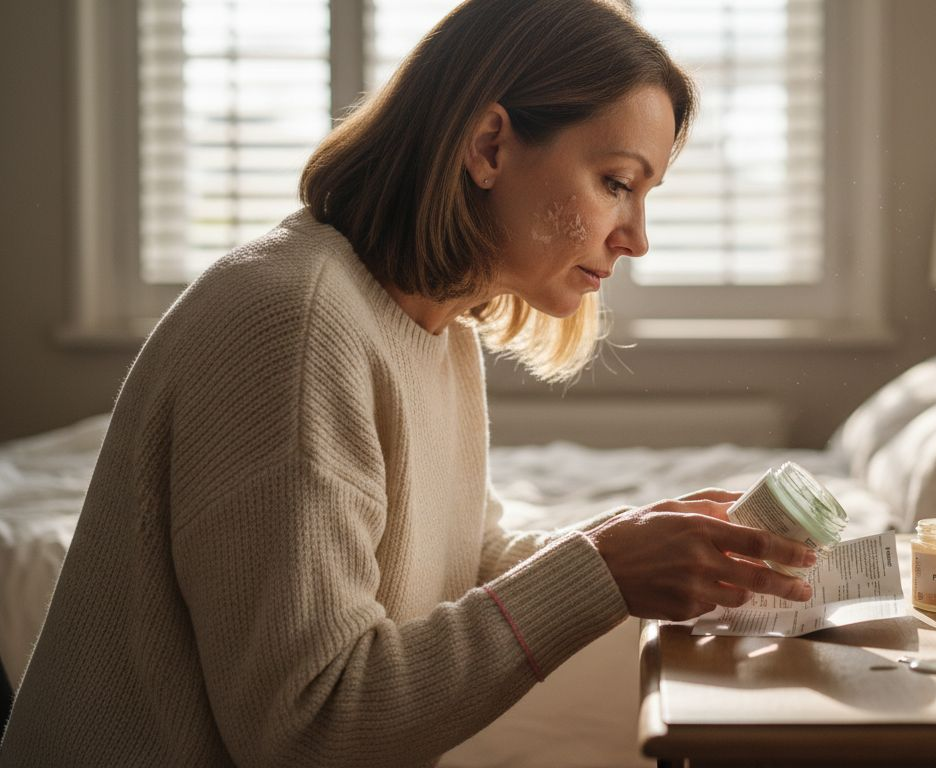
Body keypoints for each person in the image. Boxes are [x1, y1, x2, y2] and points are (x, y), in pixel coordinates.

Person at [0, 0, 817, 765]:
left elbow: (466, 559)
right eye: (616, 183)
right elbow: (308, 724)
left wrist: (648, 541)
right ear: (491, 145)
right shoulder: (296, 325)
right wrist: (604, 570)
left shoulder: (436, 327)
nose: (636, 238)